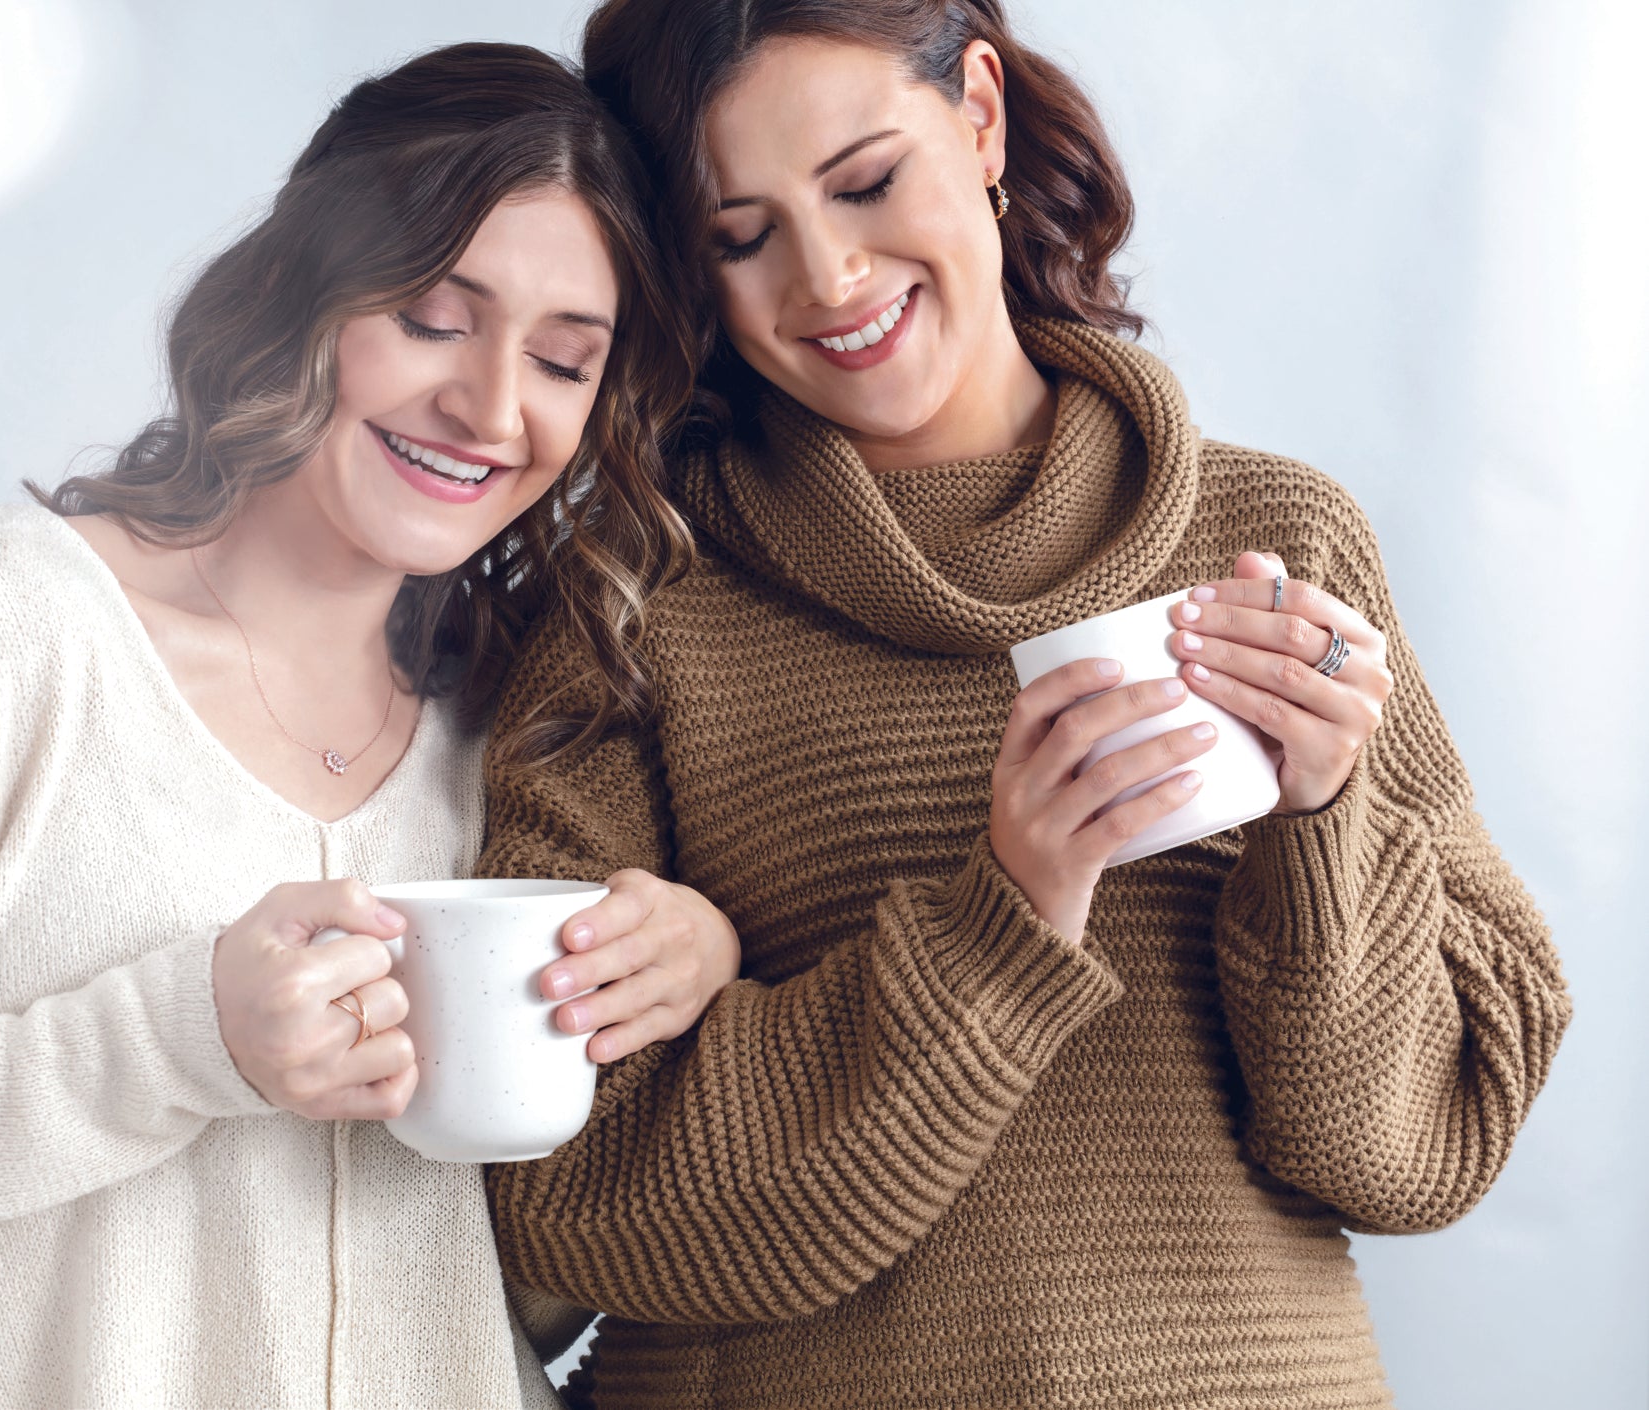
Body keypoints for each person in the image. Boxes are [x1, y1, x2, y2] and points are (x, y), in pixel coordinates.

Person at [478, 3, 1571, 1406]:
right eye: (738, 236)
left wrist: (1321, 822)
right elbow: (574, 1199)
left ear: (979, 114)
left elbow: (1416, 1151)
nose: (830, 275)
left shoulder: (1281, 538)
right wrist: (1007, 910)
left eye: (866, 183)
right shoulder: (634, 597)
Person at [0, 43, 737, 1409]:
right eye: (436, 319)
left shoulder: (508, 735)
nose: (493, 406)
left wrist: (671, 1009)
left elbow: (518, 1290)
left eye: (565, 362)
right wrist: (180, 1037)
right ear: (307, 295)